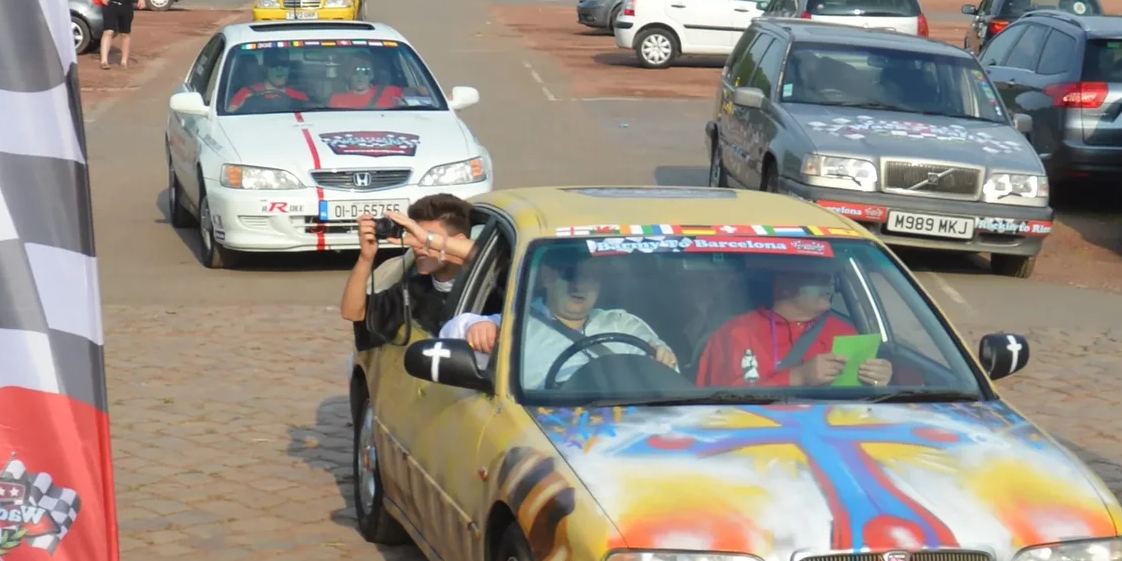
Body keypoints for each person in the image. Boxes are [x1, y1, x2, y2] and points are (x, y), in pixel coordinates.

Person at [445, 251, 678, 393]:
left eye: (590, 278)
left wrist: (662, 353)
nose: (579, 286)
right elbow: (449, 336)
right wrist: (473, 326)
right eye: (571, 276)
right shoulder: (515, 327)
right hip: (544, 428)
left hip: (629, 426)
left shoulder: (622, 323)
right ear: (547, 278)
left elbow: (664, 369)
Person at [694, 261, 895, 389]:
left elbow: (861, 405)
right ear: (784, 286)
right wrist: (798, 377)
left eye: (831, 279)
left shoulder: (846, 332)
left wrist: (877, 380)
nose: (830, 286)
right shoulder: (736, 333)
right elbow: (721, 406)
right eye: (818, 278)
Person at [342, 195, 473, 345]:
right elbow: (352, 312)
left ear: (458, 241)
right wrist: (365, 258)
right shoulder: (416, 289)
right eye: (416, 237)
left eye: (427, 239)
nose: (418, 247)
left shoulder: (492, 286)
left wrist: (427, 239)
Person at [227, 54, 310, 112]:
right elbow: (229, 117)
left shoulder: (300, 97)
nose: (279, 68)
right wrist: (246, 105)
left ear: (288, 69)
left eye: (284, 64)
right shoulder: (246, 93)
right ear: (265, 68)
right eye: (274, 64)